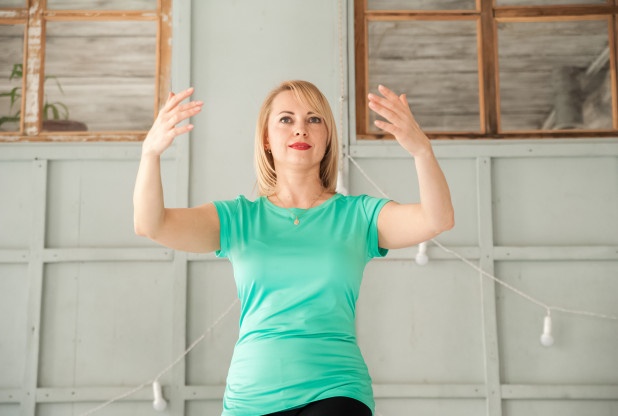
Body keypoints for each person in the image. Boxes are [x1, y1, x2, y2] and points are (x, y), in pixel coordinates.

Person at [133, 80, 454, 416]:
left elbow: (438, 218)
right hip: (250, 399)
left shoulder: (358, 216)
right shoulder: (238, 218)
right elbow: (150, 224)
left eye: (314, 119)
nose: (301, 129)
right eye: (286, 119)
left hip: (336, 391)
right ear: (267, 140)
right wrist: (150, 153)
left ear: (327, 138)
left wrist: (422, 151)